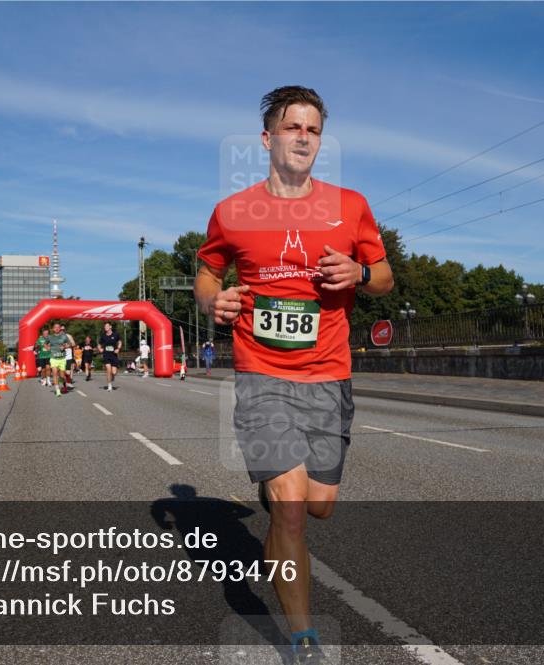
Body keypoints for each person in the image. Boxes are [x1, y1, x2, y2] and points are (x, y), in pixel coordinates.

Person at [194, 86, 394, 663]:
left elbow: (384, 278)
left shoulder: (349, 205)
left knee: (318, 504)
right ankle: (304, 639)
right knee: (289, 505)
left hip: (329, 373)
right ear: (268, 139)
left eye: (312, 129)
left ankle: (277, 510)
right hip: (261, 371)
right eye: (292, 128)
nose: (303, 137)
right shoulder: (232, 212)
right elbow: (207, 273)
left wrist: (356, 271)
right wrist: (215, 301)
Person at [45, 322, 73, 397]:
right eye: (55, 327)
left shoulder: (64, 336)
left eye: (58, 327)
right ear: (53, 329)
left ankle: (64, 384)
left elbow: (70, 344)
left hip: (62, 358)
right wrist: (47, 347)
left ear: (60, 328)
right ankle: (57, 390)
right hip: (53, 358)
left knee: (62, 376)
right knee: (54, 373)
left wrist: (65, 347)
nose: (57, 328)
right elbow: (45, 343)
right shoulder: (50, 337)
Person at [97, 322, 121, 391]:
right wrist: (100, 349)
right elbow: (99, 344)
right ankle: (109, 385)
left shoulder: (115, 334)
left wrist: (118, 348)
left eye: (107, 326)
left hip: (114, 355)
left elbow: (119, 342)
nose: (105, 327)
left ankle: (112, 376)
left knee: (114, 372)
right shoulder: (103, 336)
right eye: (104, 326)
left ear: (110, 327)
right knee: (108, 370)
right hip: (106, 355)